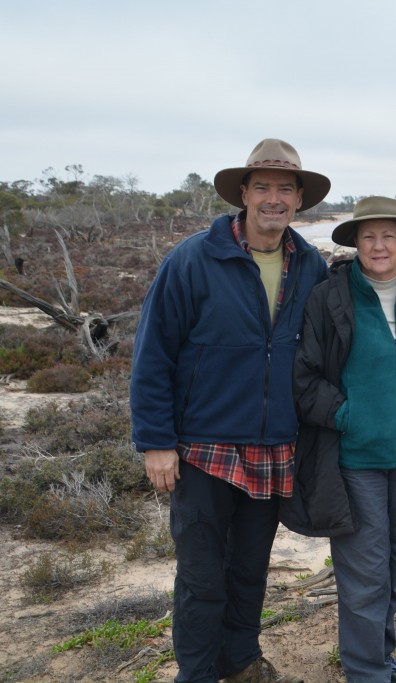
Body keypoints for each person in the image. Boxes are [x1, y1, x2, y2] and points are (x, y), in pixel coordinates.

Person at [130, 138, 331, 683]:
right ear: (243, 193)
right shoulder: (193, 258)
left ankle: (240, 659)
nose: (273, 198)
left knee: (248, 570)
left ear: (298, 200)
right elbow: (153, 353)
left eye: (284, 188)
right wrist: (156, 441)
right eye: (262, 186)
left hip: (274, 447)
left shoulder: (311, 265)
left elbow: (353, 310)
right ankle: (195, 673)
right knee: (200, 575)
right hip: (202, 447)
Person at [284, 197, 396, 683]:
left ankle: (380, 658)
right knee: (364, 574)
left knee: (390, 566)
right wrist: (350, 416)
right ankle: (366, 672)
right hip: (353, 460)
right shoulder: (331, 298)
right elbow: (303, 381)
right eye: (369, 236)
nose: (380, 245)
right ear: (355, 242)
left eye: (390, 236)